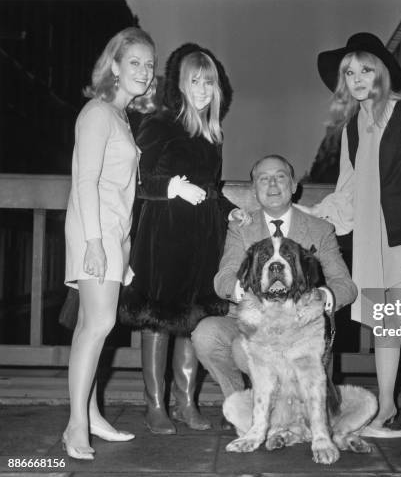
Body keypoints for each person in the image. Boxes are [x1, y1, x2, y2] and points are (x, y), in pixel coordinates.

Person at [300, 32, 401, 444]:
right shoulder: (352, 125)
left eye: (365, 69)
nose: (356, 78)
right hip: (370, 238)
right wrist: (316, 215)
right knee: (384, 327)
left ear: (382, 73)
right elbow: (348, 189)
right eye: (349, 72)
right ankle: (386, 406)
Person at [119, 43, 250, 434]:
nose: (202, 89)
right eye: (195, 81)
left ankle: (185, 403)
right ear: (180, 84)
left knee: (193, 318)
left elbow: (210, 189)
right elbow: (138, 182)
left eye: (208, 82)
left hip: (201, 240)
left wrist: (230, 210)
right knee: (158, 319)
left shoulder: (213, 135)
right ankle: (154, 406)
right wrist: (172, 188)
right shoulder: (159, 123)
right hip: (163, 237)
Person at [191, 154, 358, 402]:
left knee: (242, 349)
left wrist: (320, 297)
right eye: (263, 179)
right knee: (206, 335)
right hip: (251, 317)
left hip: (300, 324)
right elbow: (223, 278)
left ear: (293, 186)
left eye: (280, 178)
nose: (272, 185)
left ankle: (288, 403)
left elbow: (346, 286)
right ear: (254, 189)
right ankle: (242, 402)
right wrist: (247, 294)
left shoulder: (320, 229)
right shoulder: (240, 228)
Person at [63, 27, 156, 460]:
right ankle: (75, 425)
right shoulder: (98, 113)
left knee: (95, 327)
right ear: (114, 66)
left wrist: (122, 249)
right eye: (134, 62)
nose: (144, 70)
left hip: (109, 234)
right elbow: (85, 181)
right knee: (96, 327)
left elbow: (121, 194)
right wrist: (96, 244)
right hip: (92, 232)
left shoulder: (121, 117)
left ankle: (93, 416)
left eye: (149, 64)